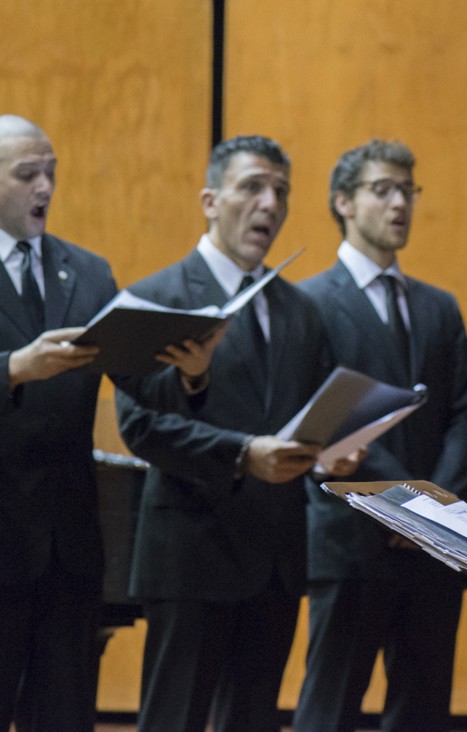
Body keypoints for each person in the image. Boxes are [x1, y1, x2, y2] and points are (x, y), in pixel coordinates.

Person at [114, 135, 358, 732]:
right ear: (210, 200)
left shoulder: (301, 309)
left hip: (275, 555)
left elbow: (312, 414)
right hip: (191, 551)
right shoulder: (155, 297)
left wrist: (331, 454)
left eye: (280, 191)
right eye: (252, 187)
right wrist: (243, 454)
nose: (269, 204)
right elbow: (141, 426)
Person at [293, 139, 467, 732]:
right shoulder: (309, 303)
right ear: (343, 202)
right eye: (383, 190)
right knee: (331, 707)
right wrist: (402, 503)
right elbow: (321, 418)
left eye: (408, 190)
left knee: (424, 709)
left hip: (434, 542)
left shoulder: (439, 306)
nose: (400, 202)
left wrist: (433, 501)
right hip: (352, 539)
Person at [0, 114, 116, 731]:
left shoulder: (91, 273)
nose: (44, 187)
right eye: (26, 175)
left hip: (68, 549)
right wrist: (14, 368)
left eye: (51, 172)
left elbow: (136, 380)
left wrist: (192, 372)